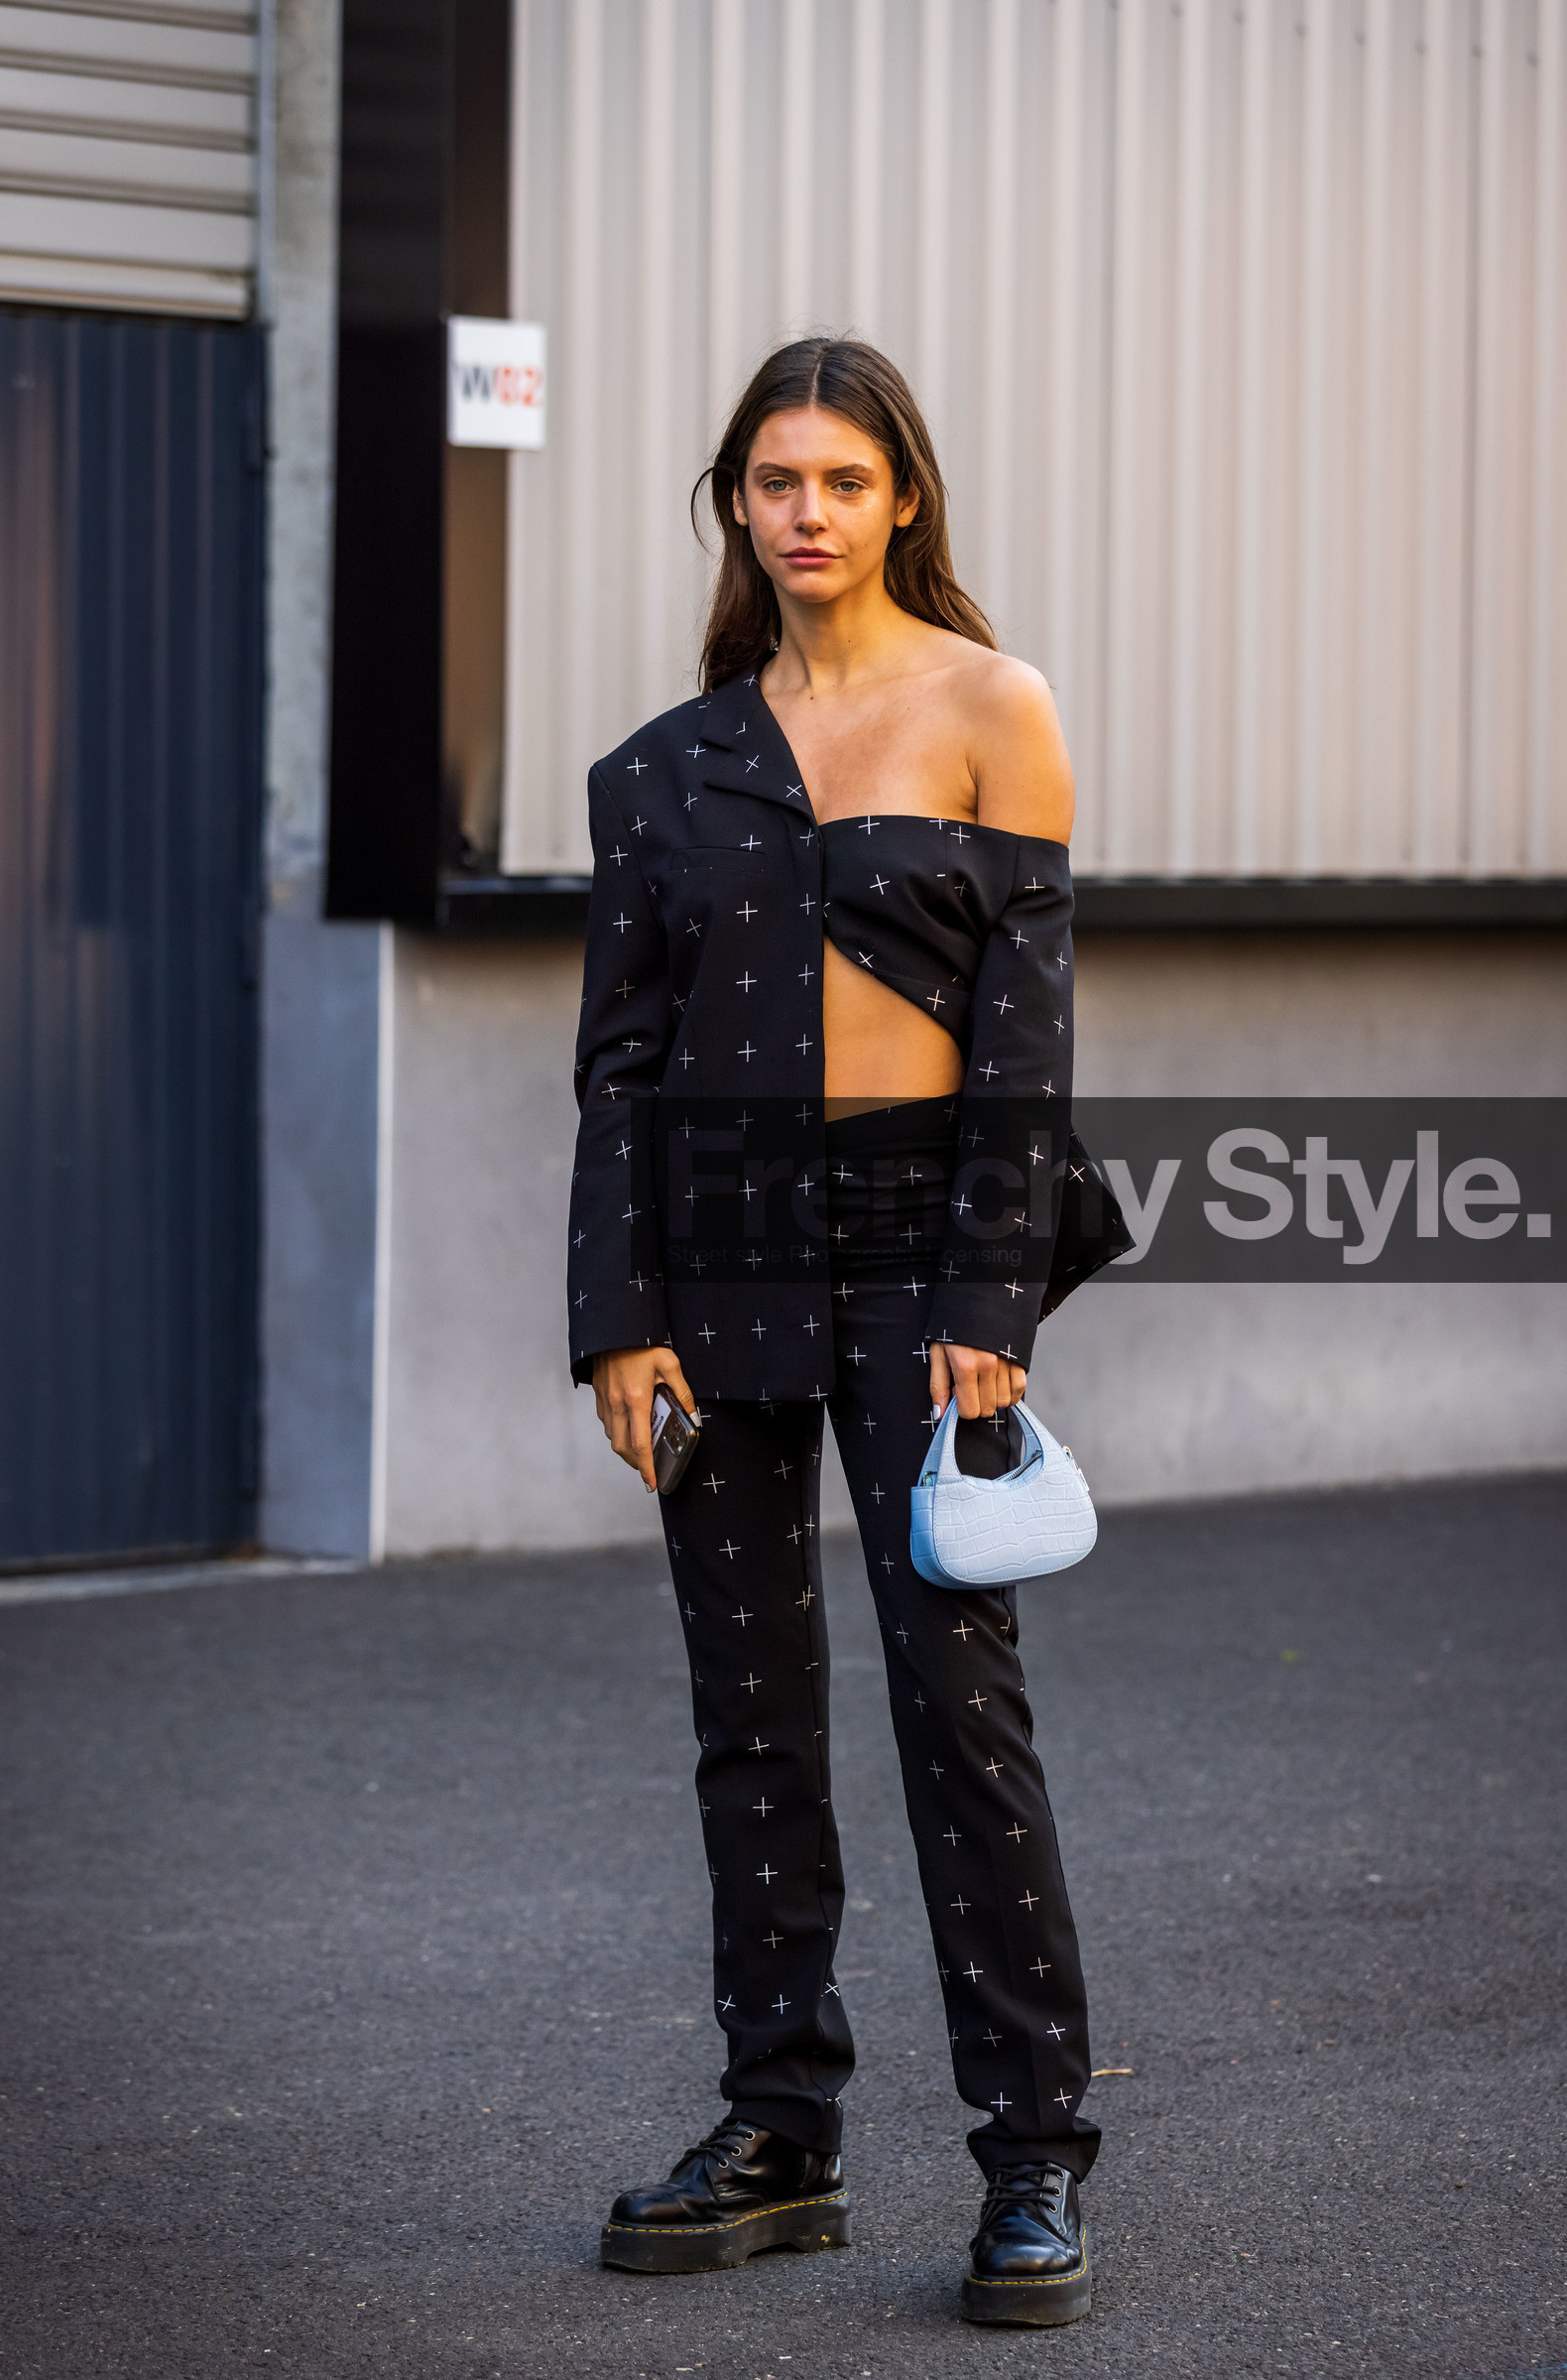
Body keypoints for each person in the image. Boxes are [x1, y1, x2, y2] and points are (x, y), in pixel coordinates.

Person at [566, 337, 1114, 2327]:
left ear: (903, 502)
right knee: (748, 1714)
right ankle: (777, 2127)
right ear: (735, 501)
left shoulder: (992, 708)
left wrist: (987, 1308)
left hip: (913, 1256)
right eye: (771, 479)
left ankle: (1031, 2154)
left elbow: (1024, 1045)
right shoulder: (657, 770)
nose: (805, 510)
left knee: (951, 1708)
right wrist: (617, 1321)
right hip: (710, 1257)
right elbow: (616, 1067)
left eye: (842, 480)